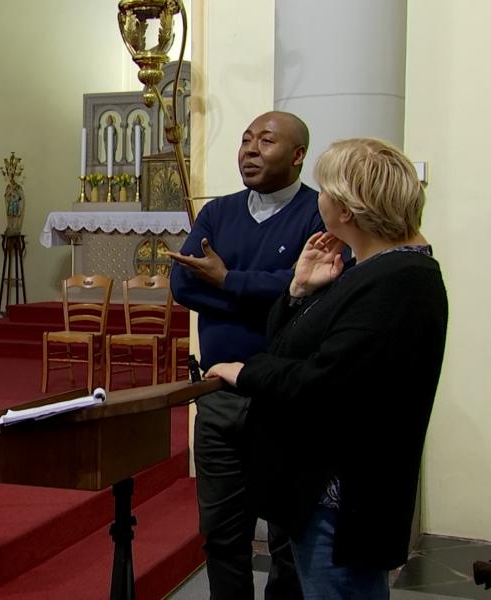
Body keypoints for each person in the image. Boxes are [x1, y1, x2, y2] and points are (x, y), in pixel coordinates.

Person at [206, 138, 448, 598]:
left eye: (324, 189)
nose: (319, 201)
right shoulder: (368, 270)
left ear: (347, 210)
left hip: (342, 500)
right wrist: (299, 290)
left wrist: (246, 371)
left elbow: (327, 382)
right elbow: (291, 346)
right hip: (320, 493)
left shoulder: (401, 281)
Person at [168, 111, 323, 600]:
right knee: (222, 534)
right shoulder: (217, 213)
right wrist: (273, 294)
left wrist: (227, 279)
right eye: (245, 139)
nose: (250, 149)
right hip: (217, 397)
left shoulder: (319, 214)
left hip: (284, 399)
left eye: (267, 141)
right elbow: (181, 284)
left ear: (298, 156)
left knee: (287, 538)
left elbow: (314, 292)